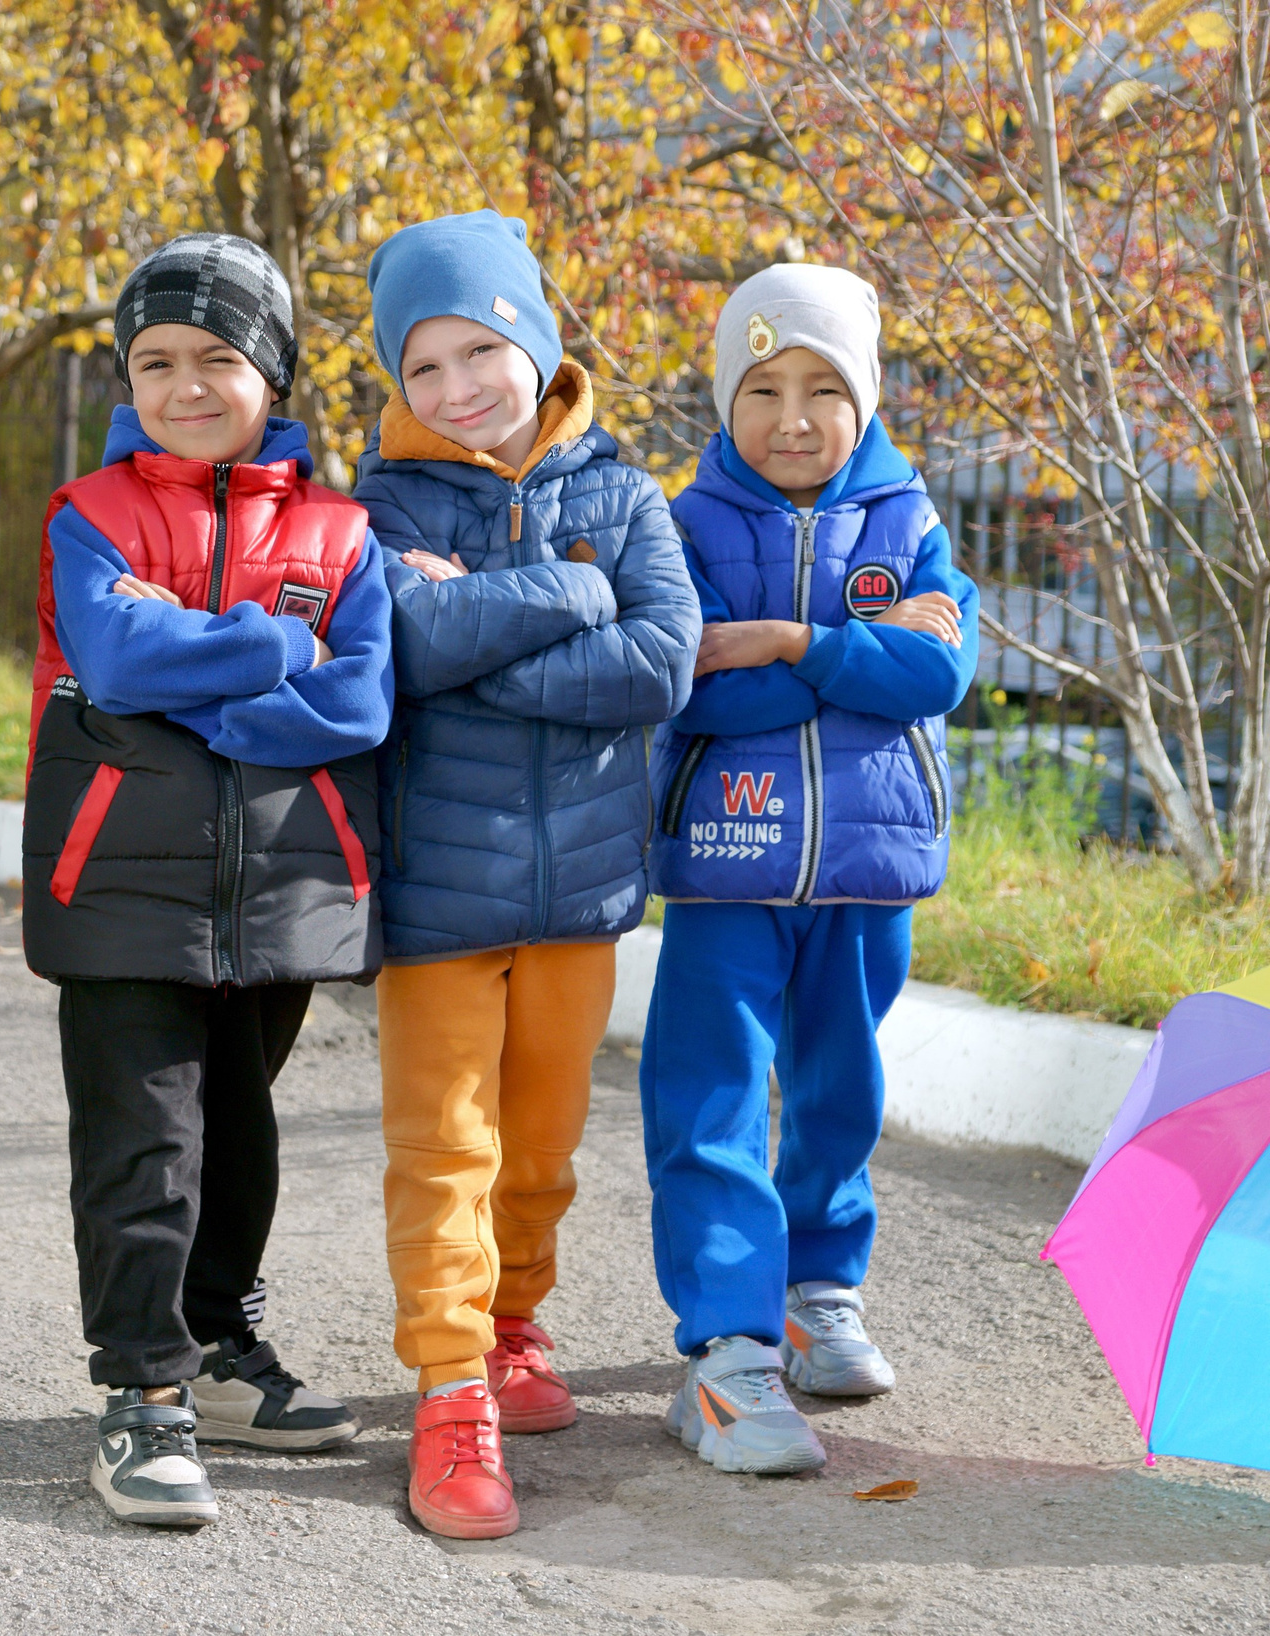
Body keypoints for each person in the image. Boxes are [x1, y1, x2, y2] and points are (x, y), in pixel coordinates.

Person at [24, 233, 393, 1529]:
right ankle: (141, 1396)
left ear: (272, 370)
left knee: (237, 1139)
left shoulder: (346, 529)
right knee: (144, 1144)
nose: (186, 383)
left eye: (219, 357)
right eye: (157, 359)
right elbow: (117, 661)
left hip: (284, 888)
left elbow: (358, 698)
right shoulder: (92, 514)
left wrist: (217, 693)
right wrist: (277, 638)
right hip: (120, 881)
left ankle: (221, 1350)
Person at [354, 211, 699, 1539]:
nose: (456, 390)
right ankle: (450, 1399)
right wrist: (570, 593)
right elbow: (399, 644)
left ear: (536, 345)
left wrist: (484, 634)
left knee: (542, 1146)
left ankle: (511, 1322)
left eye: (480, 351)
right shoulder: (377, 503)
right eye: (424, 367)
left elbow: (663, 662)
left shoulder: (625, 497)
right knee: (444, 1152)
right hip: (436, 897)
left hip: (585, 894)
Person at [642, 263, 976, 1475]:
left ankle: (818, 1288)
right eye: (762, 387)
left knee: (839, 1089)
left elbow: (935, 677)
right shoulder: (677, 528)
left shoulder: (911, 522)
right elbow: (681, 684)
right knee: (712, 1099)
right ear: (726, 398)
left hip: (869, 865)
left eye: (823, 389)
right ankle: (726, 1349)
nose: (791, 417)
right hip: (727, 862)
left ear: (866, 397)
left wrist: (786, 642)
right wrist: (852, 663)